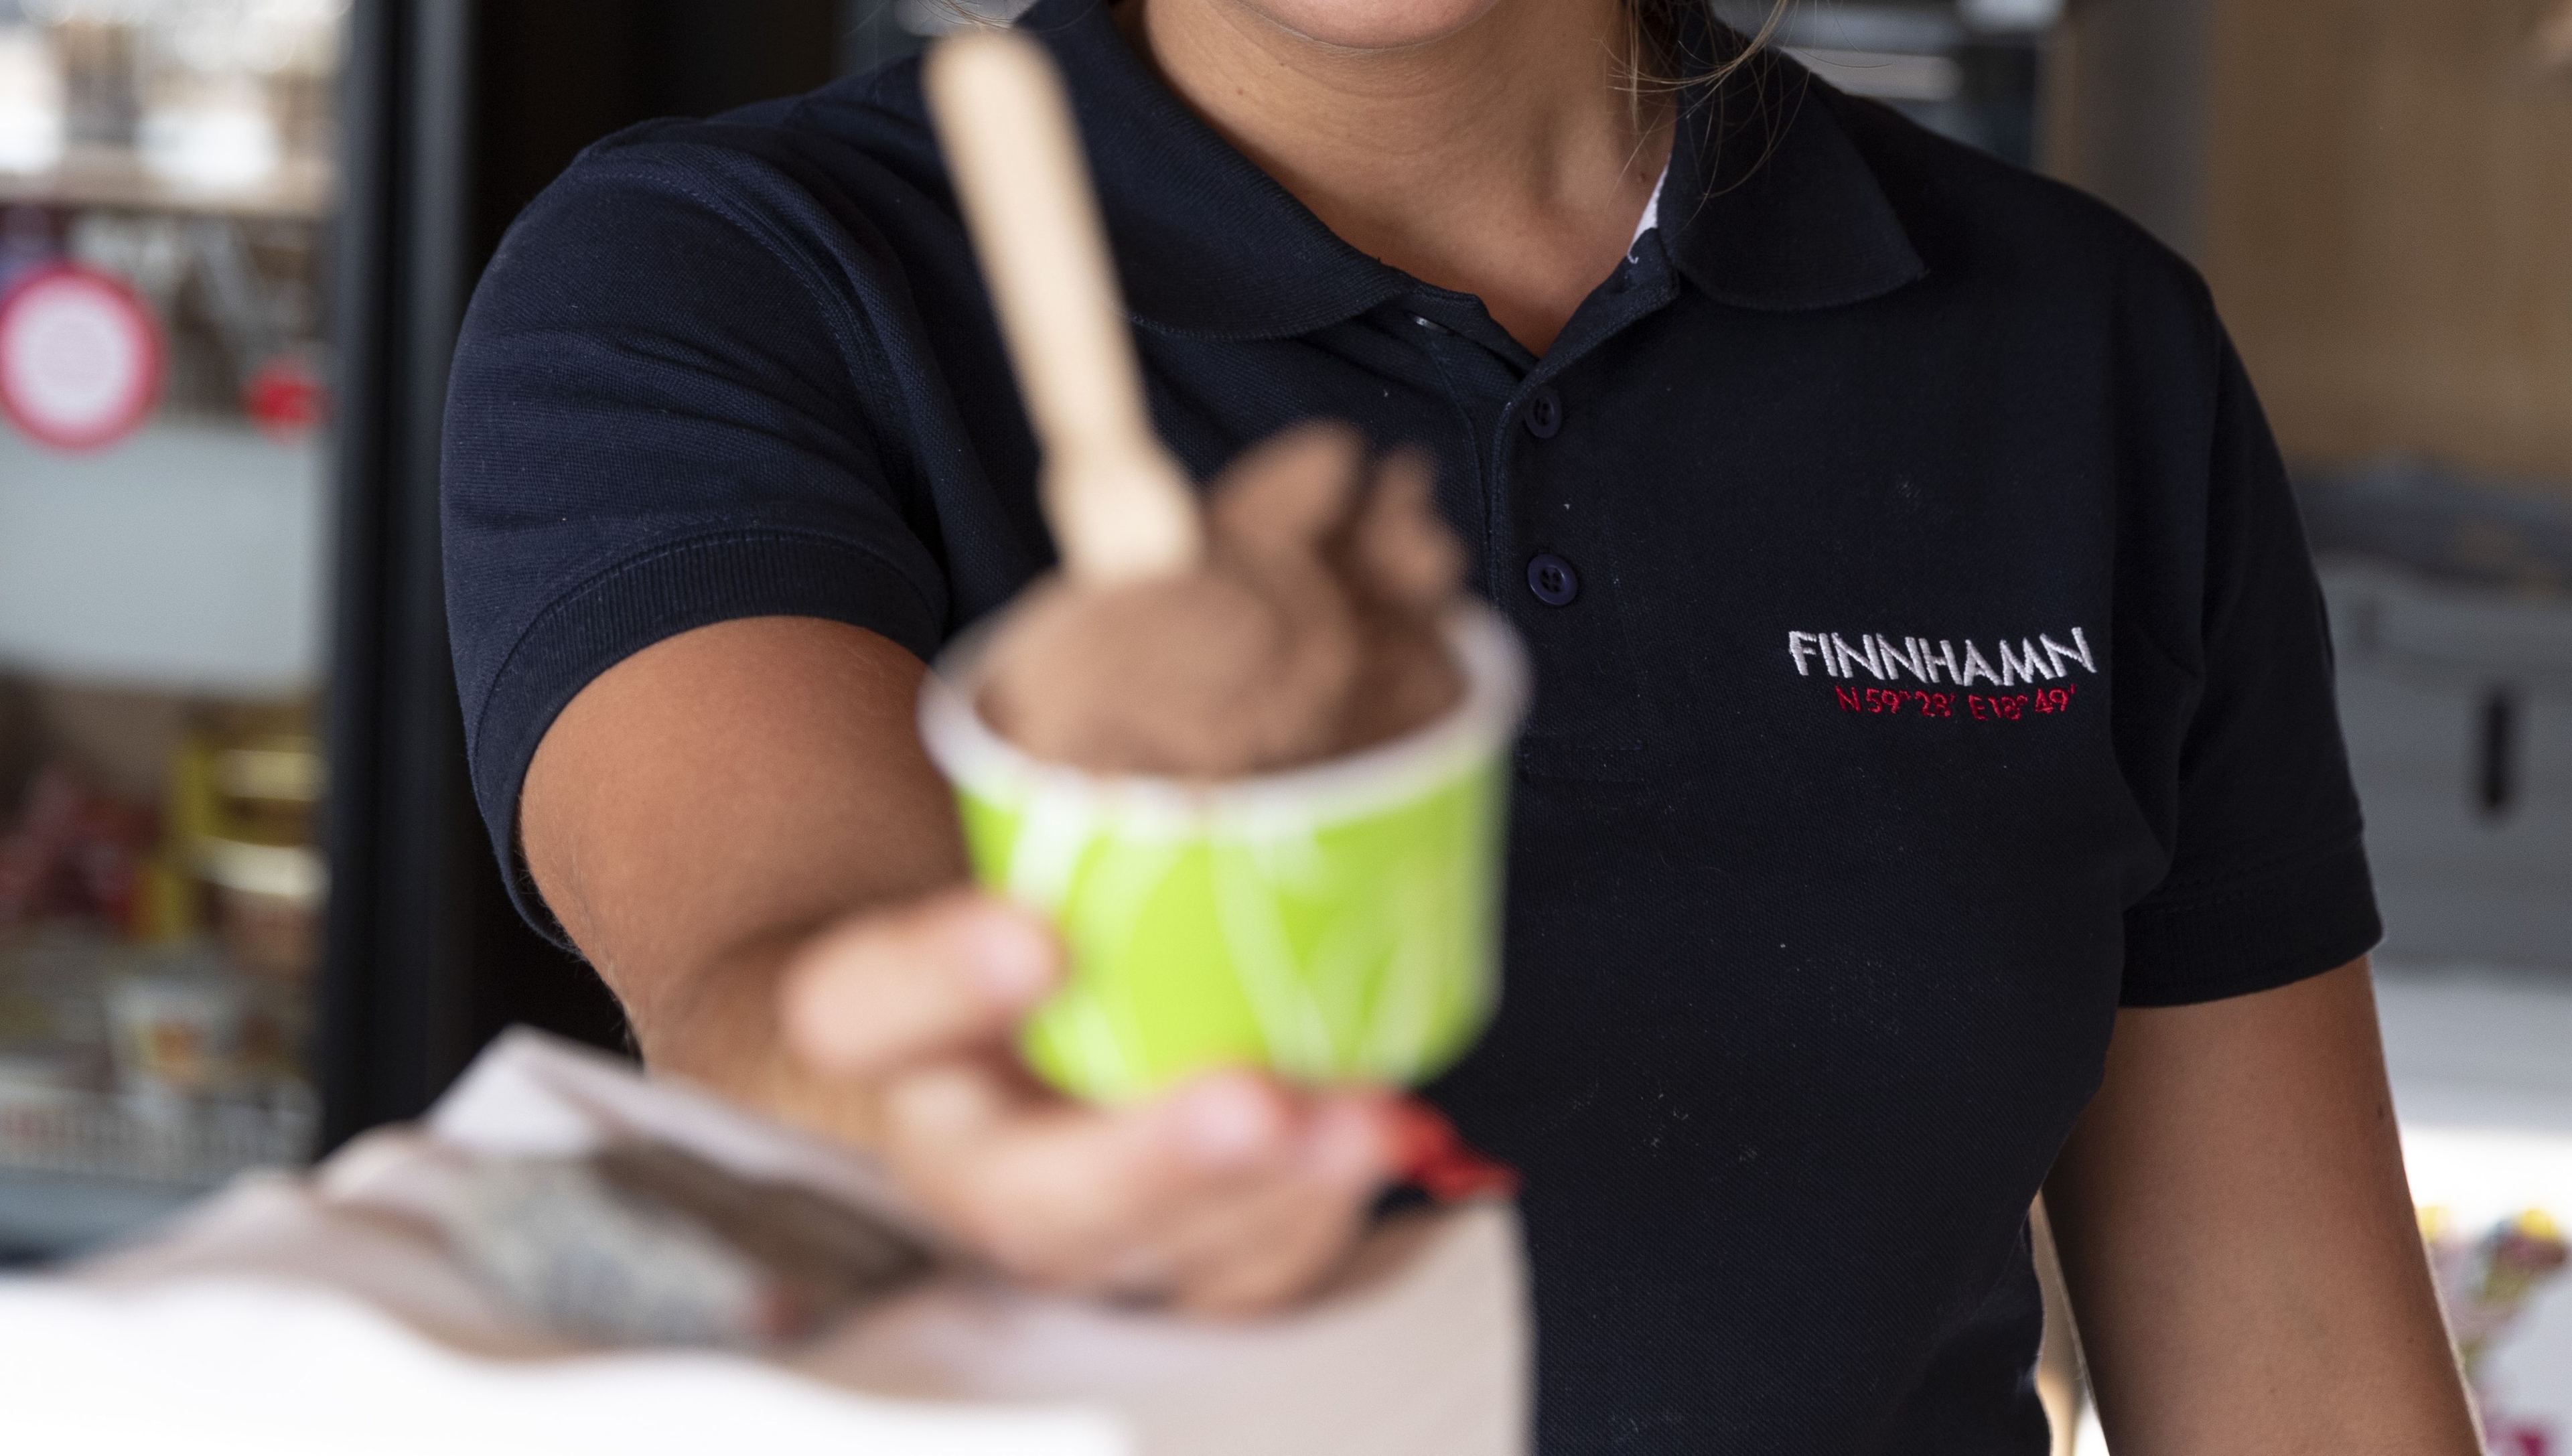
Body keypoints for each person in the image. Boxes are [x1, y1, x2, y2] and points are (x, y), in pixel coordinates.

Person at [441, 0, 2484, 1448]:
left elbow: (2294, 1376)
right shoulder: (729, 283)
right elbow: (782, 970)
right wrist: (942, 1081)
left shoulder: (2077, 345)